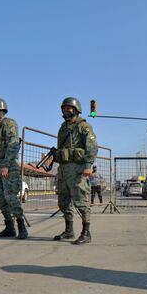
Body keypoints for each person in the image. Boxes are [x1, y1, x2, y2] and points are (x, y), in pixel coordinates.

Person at [53, 97, 98, 245]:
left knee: (81, 201)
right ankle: (69, 231)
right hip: (64, 169)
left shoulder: (83, 126)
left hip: (78, 169)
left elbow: (91, 146)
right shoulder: (62, 127)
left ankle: (86, 232)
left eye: (69, 108)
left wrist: (88, 165)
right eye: (64, 108)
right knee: (64, 201)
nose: (66, 110)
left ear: (76, 110)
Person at [0, 98, 27, 239]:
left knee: (10, 197)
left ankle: (22, 228)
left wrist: (6, 165)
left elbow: (13, 145)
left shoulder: (9, 124)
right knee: (0, 198)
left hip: (7, 166)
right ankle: (9, 228)